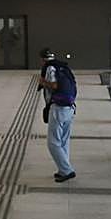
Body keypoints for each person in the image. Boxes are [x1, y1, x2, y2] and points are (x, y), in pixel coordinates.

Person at [37, 47, 76, 182]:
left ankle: (67, 170)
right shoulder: (62, 67)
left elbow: (54, 86)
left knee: (53, 142)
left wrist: (43, 82)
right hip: (69, 107)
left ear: (42, 60)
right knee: (63, 141)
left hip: (58, 108)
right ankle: (63, 169)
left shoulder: (49, 68)